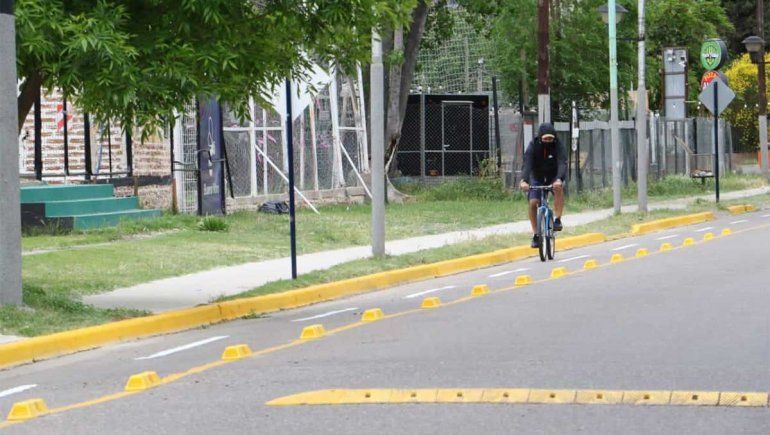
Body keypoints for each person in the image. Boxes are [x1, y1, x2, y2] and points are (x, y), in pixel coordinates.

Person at [520, 123, 567, 248]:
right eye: (545, 139)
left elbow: (562, 163)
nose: (548, 141)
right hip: (537, 176)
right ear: (540, 137)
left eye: (550, 139)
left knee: (558, 188)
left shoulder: (558, 146)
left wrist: (559, 179)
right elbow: (527, 164)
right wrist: (524, 180)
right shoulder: (533, 146)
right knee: (533, 202)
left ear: (554, 138)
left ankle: (557, 219)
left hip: (554, 176)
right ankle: (536, 234)